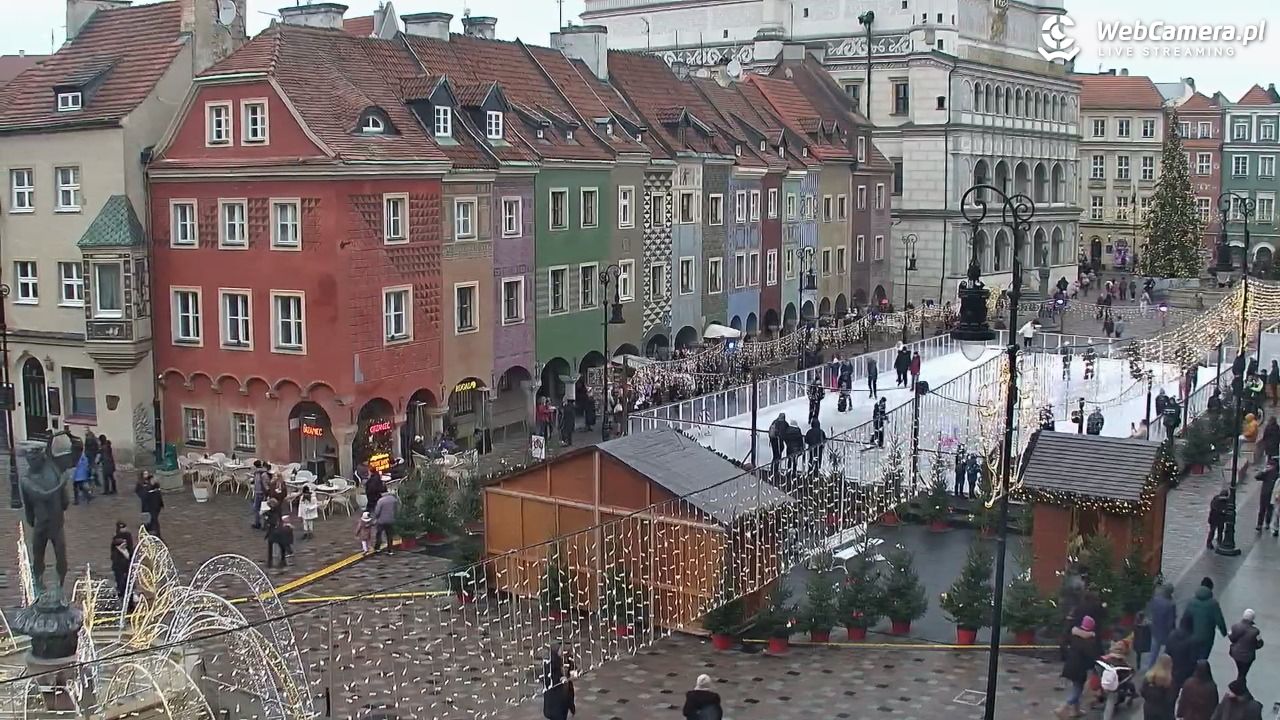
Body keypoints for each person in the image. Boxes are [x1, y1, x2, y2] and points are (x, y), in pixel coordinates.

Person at [1056, 615, 1102, 719]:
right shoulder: (1089, 640)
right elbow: (1091, 656)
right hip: (1079, 668)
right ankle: (1062, 708)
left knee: (1076, 687)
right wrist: (1097, 662)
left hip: (1070, 665)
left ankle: (1075, 711)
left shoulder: (1074, 635)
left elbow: (1064, 644)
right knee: (1077, 690)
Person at [1185, 582, 1228, 661]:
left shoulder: (1191, 602)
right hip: (1207, 637)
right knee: (1203, 658)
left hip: (1192, 636)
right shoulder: (1213, 604)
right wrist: (1224, 632)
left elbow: (1185, 619)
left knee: (1193, 657)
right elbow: (1219, 619)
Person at [1144, 584, 1177, 671]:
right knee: (1166, 653)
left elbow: (1150, 611)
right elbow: (1171, 621)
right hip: (1166, 632)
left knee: (1153, 653)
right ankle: (1163, 669)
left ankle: (1149, 669)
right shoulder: (1171, 604)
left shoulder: (1156, 599)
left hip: (1155, 629)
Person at [1227, 609, 1263, 685]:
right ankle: (1239, 686)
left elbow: (1231, 638)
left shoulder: (1235, 626)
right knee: (1243, 673)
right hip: (1248, 657)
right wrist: (1252, 647)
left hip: (1236, 653)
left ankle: (1239, 684)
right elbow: (1260, 644)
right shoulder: (1256, 631)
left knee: (1241, 672)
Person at [542, 645, 576, 720]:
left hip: (561, 706)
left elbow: (569, 688)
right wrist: (561, 679)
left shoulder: (567, 660)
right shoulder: (551, 664)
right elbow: (548, 680)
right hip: (556, 706)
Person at [1139, 654, 1177, 720]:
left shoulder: (1148, 677)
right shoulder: (1168, 681)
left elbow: (1142, 691)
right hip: (1163, 712)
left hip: (1149, 709)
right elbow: (1170, 699)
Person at [1166, 614, 1199, 690]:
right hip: (1185, 673)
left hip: (1172, 670)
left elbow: (1167, 652)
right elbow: (1193, 659)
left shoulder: (1172, 635)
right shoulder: (1193, 640)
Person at [110, 520, 134, 603]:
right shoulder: (121, 538)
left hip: (123, 565)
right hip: (121, 565)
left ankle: (125, 596)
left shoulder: (120, 537)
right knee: (123, 582)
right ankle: (125, 597)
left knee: (124, 582)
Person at [136, 472, 163, 537]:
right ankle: (151, 534)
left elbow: (158, 493)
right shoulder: (141, 485)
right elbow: (143, 495)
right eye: (145, 474)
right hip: (147, 507)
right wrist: (150, 486)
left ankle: (156, 534)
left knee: (154, 520)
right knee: (150, 521)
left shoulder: (155, 484)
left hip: (156, 506)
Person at [1255, 460, 1278, 532]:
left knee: (1269, 509)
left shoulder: (1276, 474)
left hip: (1272, 494)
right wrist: (1263, 471)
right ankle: (1259, 524)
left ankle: (1267, 523)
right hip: (1264, 493)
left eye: (1270, 465)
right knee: (1262, 509)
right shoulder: (1266, 473)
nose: (1269, 467)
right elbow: (1257, 477)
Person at [251, 460, 270, 529]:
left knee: (258, 508)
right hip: (260, 492)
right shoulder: (262, 473)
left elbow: (265, 485)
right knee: (263, 508)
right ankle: (263, 523)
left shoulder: (260, 473)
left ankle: (259, 523)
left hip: (260, 492)